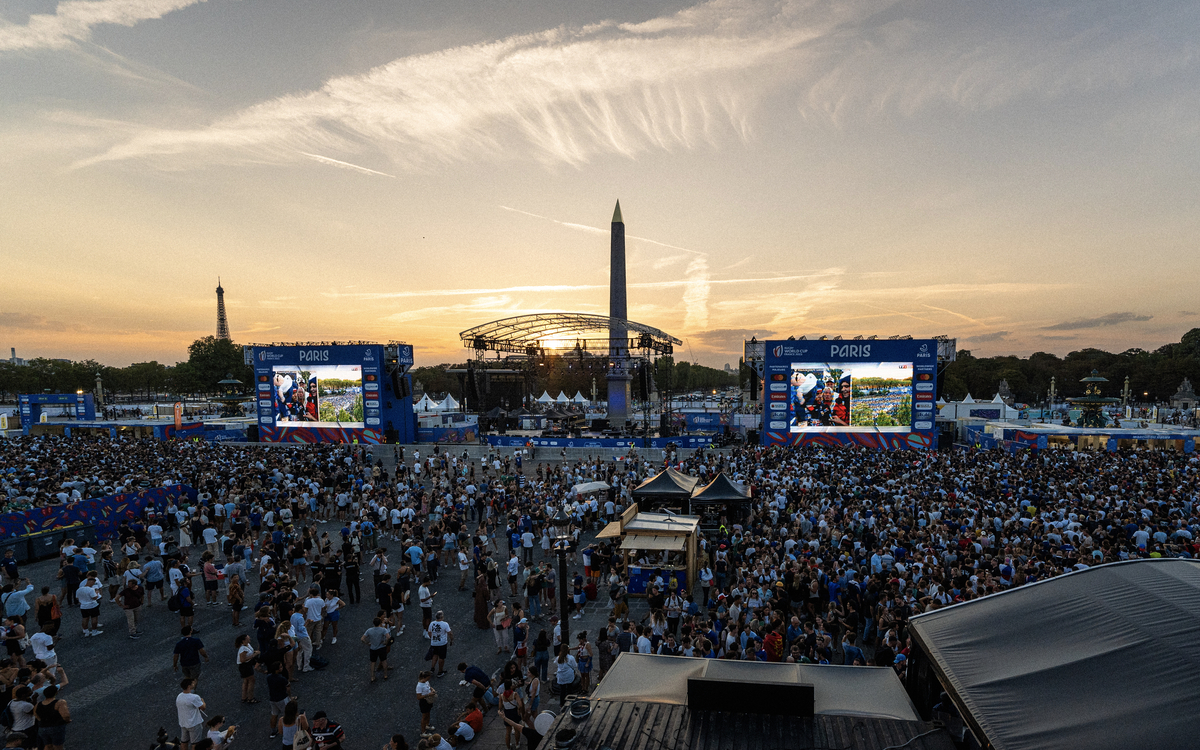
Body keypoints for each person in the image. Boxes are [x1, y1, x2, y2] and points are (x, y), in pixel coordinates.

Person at [34, 685, 69, 750]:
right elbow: (66, 715)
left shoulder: (38, 704)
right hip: (56, 727)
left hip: (42, 728)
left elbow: (36, 715)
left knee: (48, 746)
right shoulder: (59, 702)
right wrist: (67, 721)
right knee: (58, 746)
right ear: (56, 693)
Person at [176, 678, 206, 750]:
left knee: (184, 742)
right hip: (194, 723)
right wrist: (203, 701)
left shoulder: (179, 696)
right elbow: (203, 707)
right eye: (192, 683)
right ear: (189, 686)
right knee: (195, 743)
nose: (194, 684)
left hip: (183, 723)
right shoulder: (194, 697)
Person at [266, 662, 291, 738]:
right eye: (280, 667)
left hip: (273, 699)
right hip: (282, 698)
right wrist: (290, 697)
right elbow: (288, 687)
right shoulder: (282, 678)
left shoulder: (269, 677)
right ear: (277, 669)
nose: (282, 668)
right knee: (288, 714)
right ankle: (289, 730)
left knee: (274, 714)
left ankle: (273, 731)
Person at [362, 616, 391, 682]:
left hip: (373, 648)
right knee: (384, 661)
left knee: (373, 662)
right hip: (381, 647)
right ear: (380, 623)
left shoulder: (369, 630)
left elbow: (362, 639)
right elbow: (388, 637)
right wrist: (385, 642)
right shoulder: (383, 630)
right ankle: (385, 675)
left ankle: (372, 676)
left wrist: (367, 643)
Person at [76, 571, 103, 637]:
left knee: (85, 618)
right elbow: (94, 597)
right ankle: (94, 631)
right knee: (94, 618)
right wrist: (96, 593)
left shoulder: (79, 589)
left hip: (83, 606)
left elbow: (77, 598)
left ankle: (86, 631)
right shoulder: (91, 590)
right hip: (92, 605)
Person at [427, 610, 453, 677]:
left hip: (434, 643)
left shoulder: (432, 623)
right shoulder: (445, 624)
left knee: (435, 655)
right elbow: (449, 633)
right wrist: (451, 639)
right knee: (441, 657)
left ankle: (432, 669)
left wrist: (432, 638)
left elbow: (429, 632)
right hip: (442, 643)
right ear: (442, 617)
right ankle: (440, 671)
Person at [236, 633, 260, 703]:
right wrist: (254, 655)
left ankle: (244, 697)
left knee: (246, 681)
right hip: (245, 666)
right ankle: (250, 698)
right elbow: (242, 660)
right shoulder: (243, 649)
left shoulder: (247, 645)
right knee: (251, 681)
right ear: (243, 641)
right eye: (248, 638)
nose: (249, 639)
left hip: (246, 666)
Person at [415, 670, 437, 736]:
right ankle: (423, 732)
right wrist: (428, 695)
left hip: (428, 700)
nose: (429, 679)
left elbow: (429, 687)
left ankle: (427, 725)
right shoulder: (419, 686)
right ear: (424, 677)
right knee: (424, 716)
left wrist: (432, 690)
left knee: (428, 713)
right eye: (428, 678)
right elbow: (418, 697)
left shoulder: (426, 682)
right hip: (424, 701)